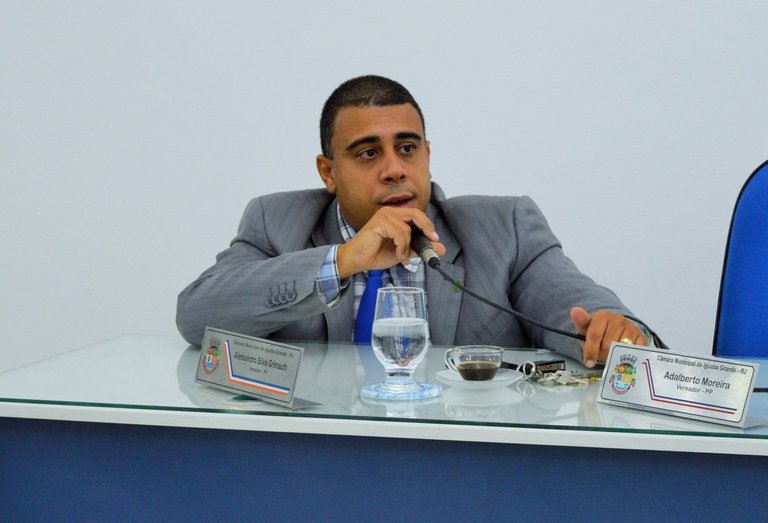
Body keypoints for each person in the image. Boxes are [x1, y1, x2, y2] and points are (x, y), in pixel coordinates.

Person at [176, 75, 650, 367]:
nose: (394, 169)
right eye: (368, 153)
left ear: (427, 154)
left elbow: (573, 304)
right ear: (328, 173)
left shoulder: (504, 227)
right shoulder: (276, 222)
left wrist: (611, 329)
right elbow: (197, 316)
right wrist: (341, 261)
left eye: (407, 148)